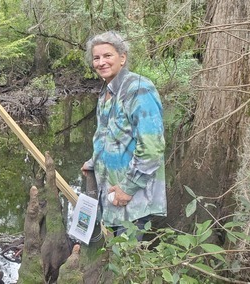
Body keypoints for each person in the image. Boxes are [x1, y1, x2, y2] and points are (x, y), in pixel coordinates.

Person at [81, 31, 167, 240]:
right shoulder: (107, 91)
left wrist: (127, 188)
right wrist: (93, 162)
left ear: (123, 57)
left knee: (126, 259)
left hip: (133, 199)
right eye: (96, 57)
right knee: (111, 254)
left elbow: (152, 148)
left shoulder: (139, 89)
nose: (101, 62)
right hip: (112, 193)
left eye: (107, 56)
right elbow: (108, 136)